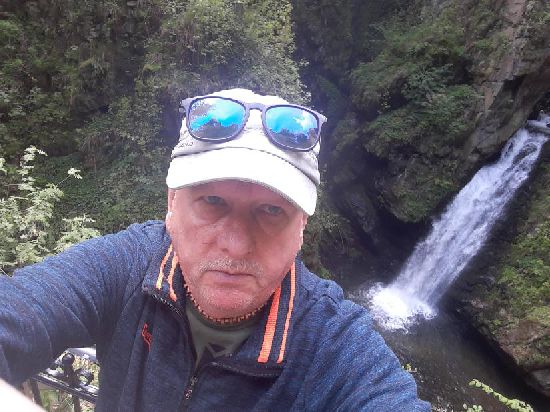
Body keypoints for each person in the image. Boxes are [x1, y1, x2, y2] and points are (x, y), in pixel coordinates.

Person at [0, 88, 430, 411]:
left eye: (271, 211)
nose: (235, 245)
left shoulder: (332, 346)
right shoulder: (130, 267)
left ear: (301, 227)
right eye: (212, 202)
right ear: (172, 206)